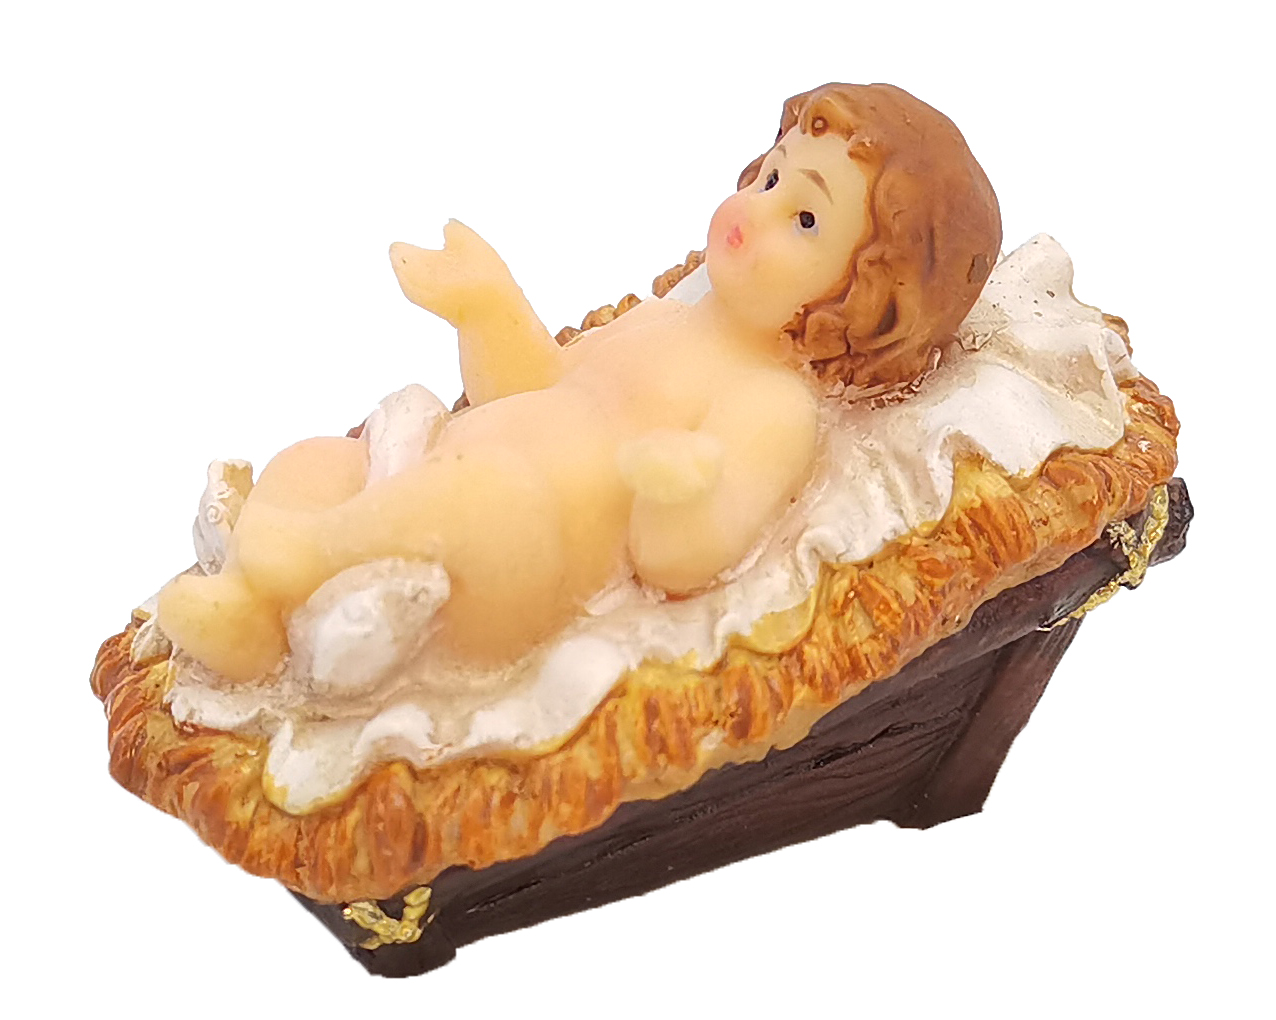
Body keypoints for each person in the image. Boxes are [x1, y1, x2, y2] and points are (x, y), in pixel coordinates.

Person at [158, 83, 1001, 683]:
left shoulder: (770, 402)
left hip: (514, 563)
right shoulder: (662, 318)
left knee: (481, 493)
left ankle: (297, 565)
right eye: (770, 179)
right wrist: (486, 306)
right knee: (316, 459)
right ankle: (250, 614)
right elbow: (530, 389)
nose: (754, 210)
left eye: (804, 220)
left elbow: (683, 559)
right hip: (432, 474)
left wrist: (678, 492)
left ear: (864, 303)